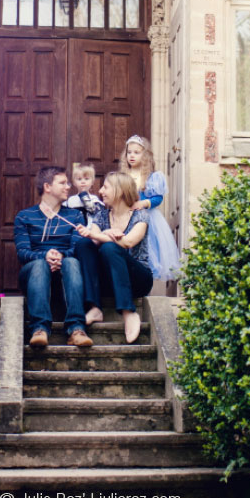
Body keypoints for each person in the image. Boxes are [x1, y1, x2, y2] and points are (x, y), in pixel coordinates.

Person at [13, 165, 93, 349]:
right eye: (63, 183)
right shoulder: (24, 217)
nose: (68, 187)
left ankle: (76, 329)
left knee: (72, 262)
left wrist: (61, 256)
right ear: (47, 187)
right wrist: (45, 255)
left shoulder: (75, 216)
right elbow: (23, 253)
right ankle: (39, 329)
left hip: (67, 271)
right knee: (39, 264)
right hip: (34, 273)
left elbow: (77, 248)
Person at [75, 171, 153, 343]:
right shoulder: (102, 214)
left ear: (119, 190)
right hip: (110, 281)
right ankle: (95, 307)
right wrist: (106, 232)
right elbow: (92, 237)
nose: (101, 191)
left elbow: (129, 242)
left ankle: (128, 311)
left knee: (110, 247)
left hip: (138, 280)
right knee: (84, 244)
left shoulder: (140, 215)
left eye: (106, 187)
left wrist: (103, 236)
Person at [119, 134, 180, 281]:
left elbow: (158, 198)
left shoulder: (152, 177)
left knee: (149, 250)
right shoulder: (123, 176)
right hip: (127, 218)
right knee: (127, 248)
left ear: (145, 156)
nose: (132, 156)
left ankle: (145, 283)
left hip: (149, 219)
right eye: (129, 152)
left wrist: (143, 203)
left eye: (137, 152)